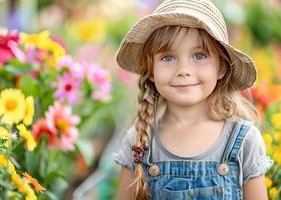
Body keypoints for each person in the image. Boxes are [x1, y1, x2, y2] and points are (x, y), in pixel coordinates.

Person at [113, 0, 274, 199]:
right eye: (168, 58)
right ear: (151, 70)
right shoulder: (139, 141)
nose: (183, 71)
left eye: (199, 55)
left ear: (221, 67)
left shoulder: (244, 141)